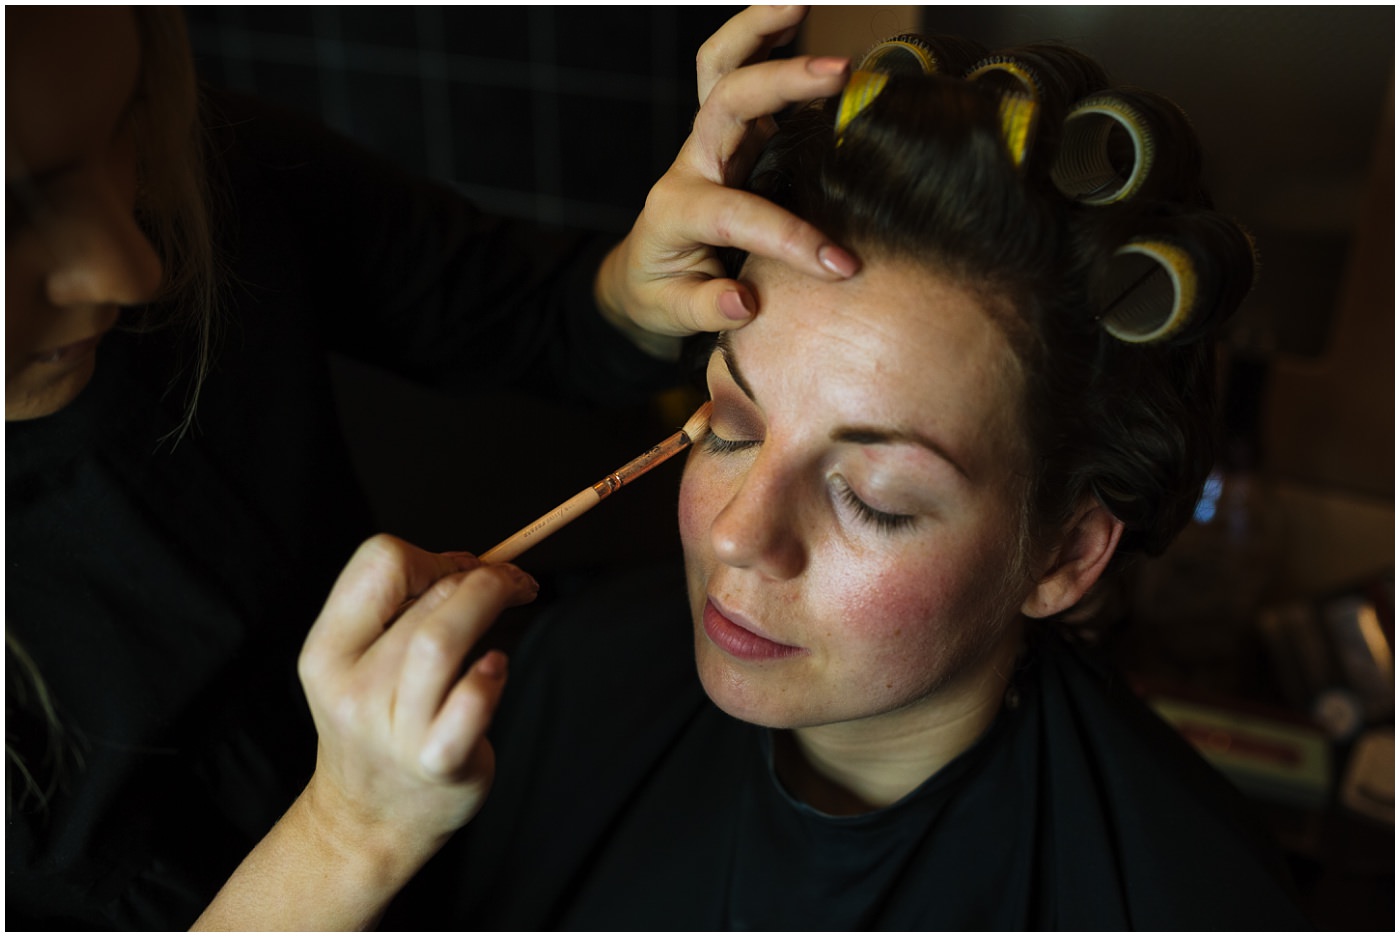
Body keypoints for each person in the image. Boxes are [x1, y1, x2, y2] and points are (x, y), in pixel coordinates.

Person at [200, 29, 1313, 932]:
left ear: (1065, 552)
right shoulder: (526, 700)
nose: (737, 536)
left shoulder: (1187, 902)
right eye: (729, 423)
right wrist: (342, 837)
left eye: (872, 493)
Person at [5, 5, 861, 929]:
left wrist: (628, 297)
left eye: (132, 127)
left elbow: (518, 309)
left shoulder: (205, 158)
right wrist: (345, 836)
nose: (136, 270)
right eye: (12, 210)